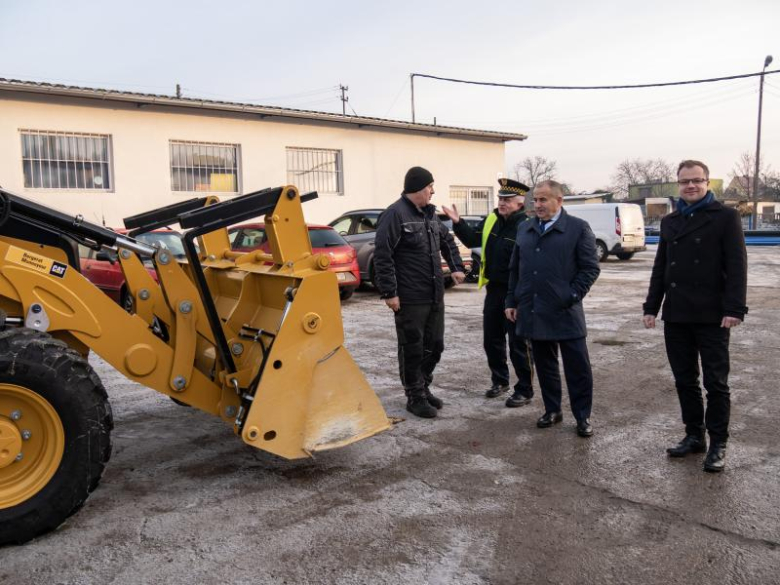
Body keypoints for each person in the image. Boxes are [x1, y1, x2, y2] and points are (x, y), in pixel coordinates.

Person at [643, 159, 748, 473]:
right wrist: (651, 306)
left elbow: (737, 266)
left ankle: (718, 443)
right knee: (684, 380)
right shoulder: (671, 221)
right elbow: (661, 267)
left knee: (716, 383)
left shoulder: (725, 217)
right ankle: (694, 435)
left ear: (707, 183)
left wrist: (734, 308)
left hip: (712, 315)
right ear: (679, 184)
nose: (691, 186)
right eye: (685, 181)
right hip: (677, 314)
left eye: (697, 181)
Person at [504, 180, 600, 437]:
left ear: (560, 201)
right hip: (534, 310)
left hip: (566, 311)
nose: (538, 205)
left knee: (577, 368)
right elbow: (516, 269)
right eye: (535, 200)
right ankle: (552, 410)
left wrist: (571, 295)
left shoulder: (578, 228)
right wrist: (511, 301)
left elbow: (590, 268)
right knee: (545, 366)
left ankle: (583, 416)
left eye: (543, 200)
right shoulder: (525, 229)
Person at [374, 166, 466, 419]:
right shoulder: (395, 214)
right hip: (410, 296)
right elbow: (383, 256)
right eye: (429, 187)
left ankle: (424, 387)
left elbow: (446, 241)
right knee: (412, 347)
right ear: (417, 188)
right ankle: (414, 396)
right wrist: (390, 293)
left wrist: (456, 267)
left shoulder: (429, 215)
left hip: (434, 293)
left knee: (435, 345)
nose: (432, 191)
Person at [442, 178, 535, 407]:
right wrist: (458, 222)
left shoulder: (527, 225)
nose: (502, 203)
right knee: (492, 339)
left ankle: (524, 389)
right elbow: (474, 239)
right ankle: (500, 381)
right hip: (494, 290)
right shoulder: (492, 220)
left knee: (518, 344)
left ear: (519, 203)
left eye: (507, 200)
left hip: (517, 292)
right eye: (500, 199)